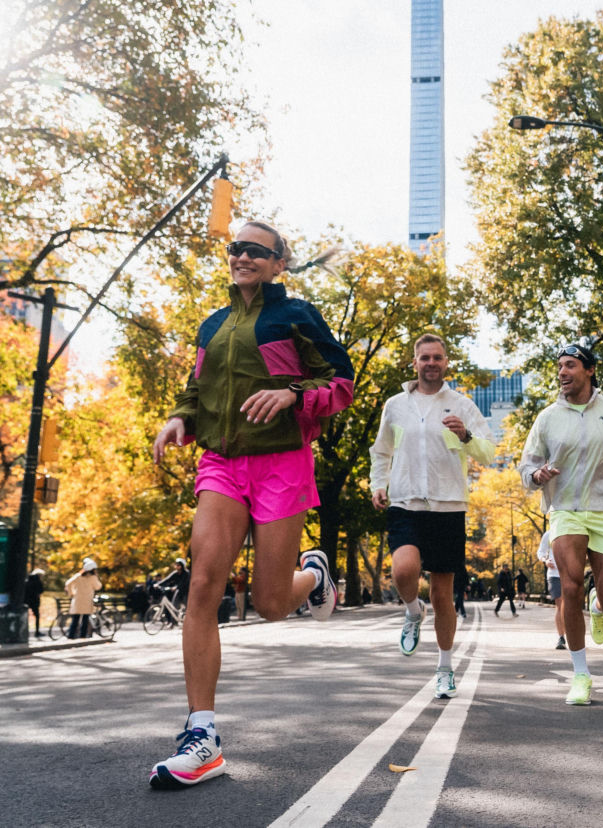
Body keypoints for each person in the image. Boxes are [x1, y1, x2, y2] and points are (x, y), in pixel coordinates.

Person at [149, 220, 355, 788]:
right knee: (203, 583)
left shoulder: (296, 316)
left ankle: (311, 576)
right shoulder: (211, 325)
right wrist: (180, 419)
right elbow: (197, 389)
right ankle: (202, 735)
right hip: (219, 461)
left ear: (278, 263)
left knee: (268, 604)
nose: (241, 256)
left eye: (255, 251)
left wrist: (291, 393)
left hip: (281, 461)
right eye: (236, 248)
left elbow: (340, 382)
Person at [520, 343, 603, 705]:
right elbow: (526, 467)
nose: (562, 372)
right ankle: (580, 675)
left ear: (590, 370)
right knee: (570, 585)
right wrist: (538, 474)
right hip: (565, 509)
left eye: (570, 365)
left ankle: (598, 605)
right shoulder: (547, 418)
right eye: (560, 366)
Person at [370, 333, 495, 700]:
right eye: (425, 358)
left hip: (448, 505)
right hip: (405, 501)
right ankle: (412, 611)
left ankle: (445, 669)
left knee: (443, 594)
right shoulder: (396, 405)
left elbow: (488, 453)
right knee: (403, 570)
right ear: (415, 363)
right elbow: (382, 451)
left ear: (445, 363)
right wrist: (378, 484)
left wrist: (467, 435)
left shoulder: (461, 404)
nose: (431, 363)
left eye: (437, 357)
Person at [536, 531, 566, 649]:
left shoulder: (572, 530)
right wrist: (545, 560)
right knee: (560, 603)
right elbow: (541, 552)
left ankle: (573, 635)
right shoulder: (549, 534)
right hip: (554, 575)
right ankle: (561, 637)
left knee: (568, 605)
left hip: (569, 574)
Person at [65, 558, 100, 639]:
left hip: (77, 600)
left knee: (75, 620)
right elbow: (98, 587)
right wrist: (96, 577)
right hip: (87, 601)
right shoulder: (93, 578)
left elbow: (68, 583)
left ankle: (71, 636)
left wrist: (71, 593)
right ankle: (82, 636)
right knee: (85, 619)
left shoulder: (78, 576)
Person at [25, 568, 45, 638]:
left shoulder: (27, 580)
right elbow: (41, 590)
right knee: (37, 616)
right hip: (34, 601)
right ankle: (37, 632)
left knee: (26, 617)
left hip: (26, 601)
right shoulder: (38, 581)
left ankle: (25, 632)